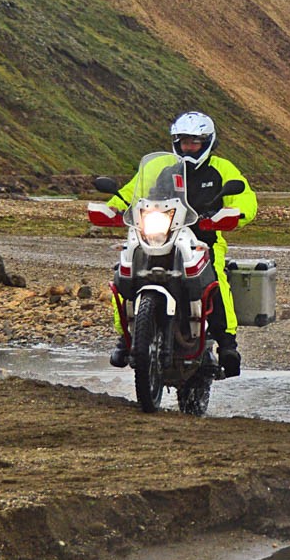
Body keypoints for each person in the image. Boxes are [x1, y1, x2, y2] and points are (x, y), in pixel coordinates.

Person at [107, 112, 258, 377]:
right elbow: (132, 191)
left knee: (216, 278)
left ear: (207, 142)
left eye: (194, 142)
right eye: (184, 142)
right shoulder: (161, 167)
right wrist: (113, 208)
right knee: (125, 268)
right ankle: (124, 337)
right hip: (159, 234)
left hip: (203, 237)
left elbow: (245, 197)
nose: (188, 147)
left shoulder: (222, 169)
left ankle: (227, 344)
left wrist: (235, 214)